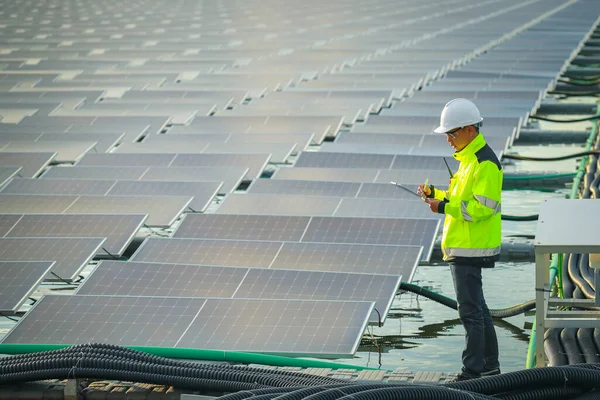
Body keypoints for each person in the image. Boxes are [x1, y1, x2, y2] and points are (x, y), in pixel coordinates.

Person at [417, 98, 502, 381]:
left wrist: (442, 207)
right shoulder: (468, 160)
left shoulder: (484, 163)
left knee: (470, 313)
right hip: (465, 246)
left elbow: (482, 208)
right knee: (478, 309)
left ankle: (471, 372)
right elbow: (459, 199)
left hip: (471, 248)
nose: (449, 140)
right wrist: (436, 194)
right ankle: (489, 365)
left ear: (470, 130)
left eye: (452, 133)